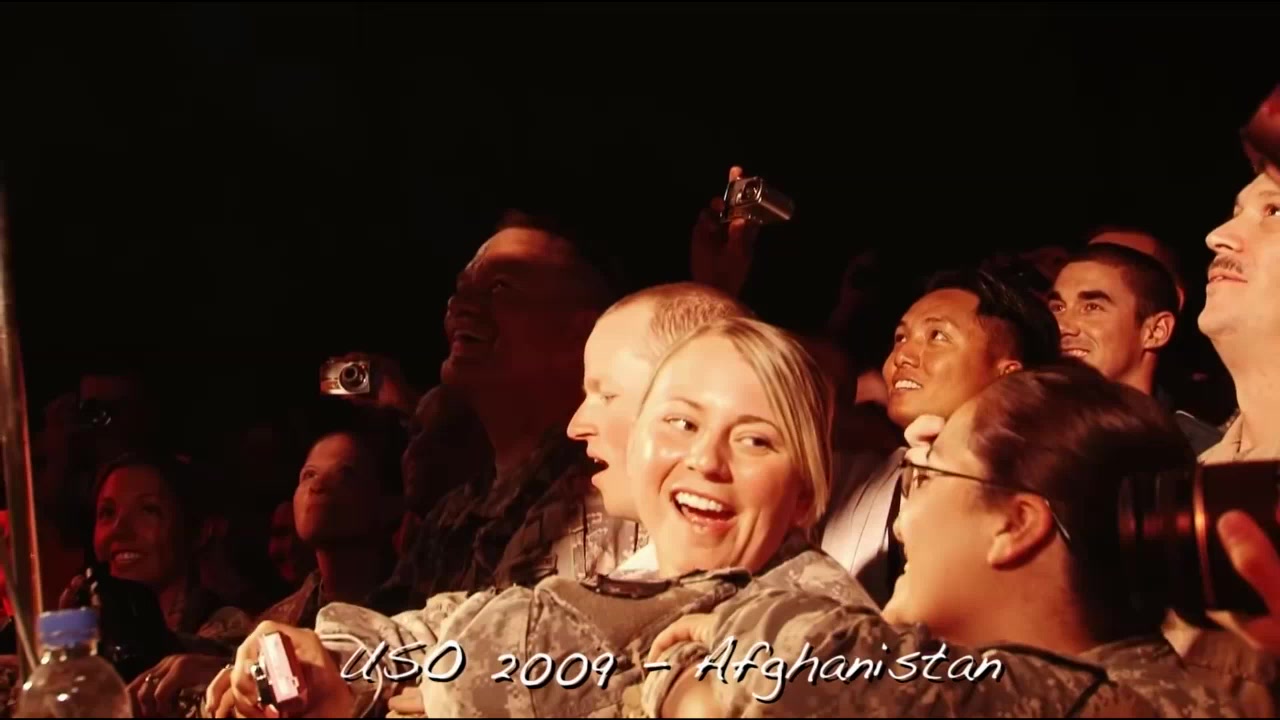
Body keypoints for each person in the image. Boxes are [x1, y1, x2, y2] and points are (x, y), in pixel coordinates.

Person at [204, 317, 861, 719]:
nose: (706, 460)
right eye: (682, 423)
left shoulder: (814, 622)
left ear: (806, 493)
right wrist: (323, 666)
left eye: (755, 440)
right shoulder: (625, 578)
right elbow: (441, 631)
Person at [647, 362, 1246, 717]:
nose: (903, 521)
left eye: (928, 479)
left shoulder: (1097, 704)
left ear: (1015, 525)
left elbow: (807, 668)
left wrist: (719, 635)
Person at [367, 209, 644, 615]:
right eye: (460, 290)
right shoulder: (452, 515)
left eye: (499, 287)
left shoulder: (619, 496)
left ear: (584, 332)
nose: (460, 306)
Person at [820, 268, 1060, 607]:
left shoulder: (1038, 499)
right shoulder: (846, 477)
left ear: (1008, 376)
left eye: (937, 336)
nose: (902, 356)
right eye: (900, 338)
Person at [1048, 242, 1222, 453]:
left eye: (1092, 307)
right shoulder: (1027, 438)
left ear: (1156, 331)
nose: (1062, 326)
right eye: (1058, 308)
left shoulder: (1202, 453)